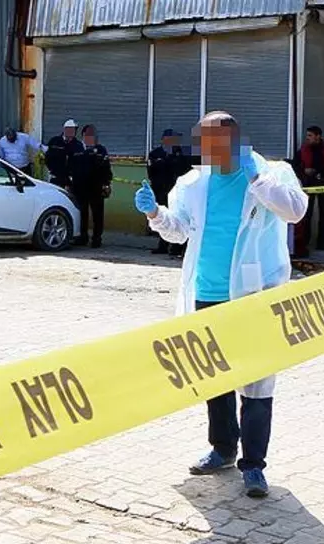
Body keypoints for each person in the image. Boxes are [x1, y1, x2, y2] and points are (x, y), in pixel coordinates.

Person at [134, 111, 307, 498]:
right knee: (215, 376)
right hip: (207, 293)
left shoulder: (273, 172)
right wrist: (154, 213)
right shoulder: (193, 183)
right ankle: (223, 448)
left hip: (254, 294)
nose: (206, 151)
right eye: (203, 143)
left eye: (213, 143)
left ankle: (254, 465)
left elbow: (295, 210)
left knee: (257, 380)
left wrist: (257, 180)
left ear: (234, 141)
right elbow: (179, 231)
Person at [147, 128, 195, 255]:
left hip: (177, 192)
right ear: (165, 139)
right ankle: (162, 246)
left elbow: (186, 171)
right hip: (161, 191)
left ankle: (177, 248)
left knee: (179, 217)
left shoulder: (182, 154)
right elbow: (152, 173)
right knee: (163, 217)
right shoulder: (155, 154)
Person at [69, 124, 112, 247]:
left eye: (92, 135)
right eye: (87, 135)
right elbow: (71, 167)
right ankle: (82, 237)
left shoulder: (101, 150)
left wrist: (106, 183)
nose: (90, 137)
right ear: (82, 136)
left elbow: (106, 168)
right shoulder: (76, 149)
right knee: (82, 213)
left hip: (96, 187)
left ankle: (97, 238)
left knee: (97, 214)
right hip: (80, 187)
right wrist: (70, 183)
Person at [297, 126, 324, 254]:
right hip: (309, 184)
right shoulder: (303, 149)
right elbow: (296, 165)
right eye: (307, 135)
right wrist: (304, 171)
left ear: (318, 136)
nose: (307, 138)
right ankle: (305, 242)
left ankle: (322, 242)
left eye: (310, 135)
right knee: (307, 214)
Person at [45, 119, 83, 187]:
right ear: (65, 129)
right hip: (55, 177)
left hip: (71, 179)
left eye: (74, 130)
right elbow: (47, 157)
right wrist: (51, 170)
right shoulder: (55, 141)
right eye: (70, 129)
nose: (72, 132)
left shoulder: (78, 145)